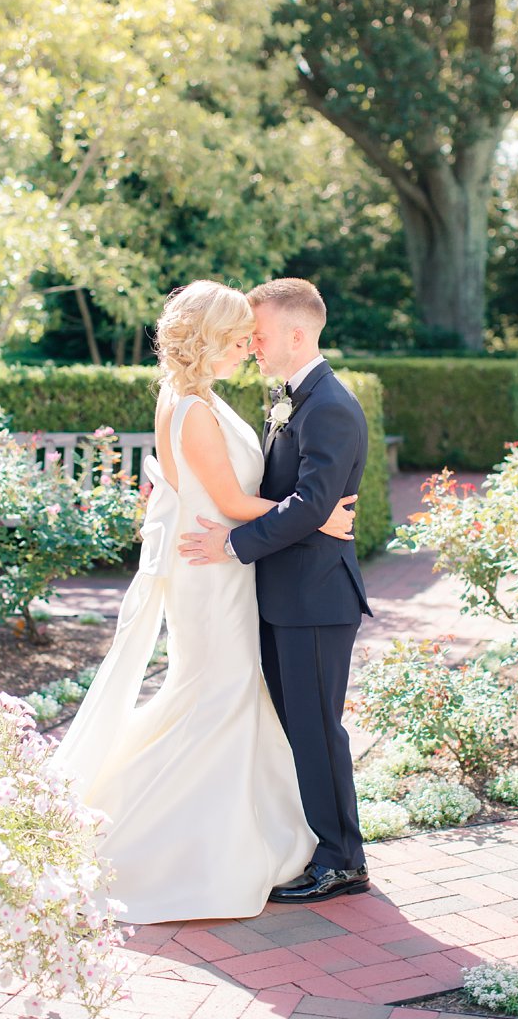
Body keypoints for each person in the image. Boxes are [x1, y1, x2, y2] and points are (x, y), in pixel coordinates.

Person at [54, 279, 355, 923]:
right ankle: (165, 843)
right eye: (240, 338)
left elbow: (201, 485)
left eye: (255, 336)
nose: (250, 347)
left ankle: (240, 834)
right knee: (214, 699)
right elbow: (232, 502)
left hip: (223, 565)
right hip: (213, 568)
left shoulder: (193, 398)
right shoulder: (193, 408)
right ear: (212, 340)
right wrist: (320, 517)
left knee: (220, 701)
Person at [179, 277, 373, 904]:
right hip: (283, 594)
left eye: (258, 336)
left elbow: (312, 503)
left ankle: (343, 860)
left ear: (296, 334)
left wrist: (232, 545)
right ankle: (326, 847)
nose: (252, 346)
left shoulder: (331, 406)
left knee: (318, 730)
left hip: (316, 598)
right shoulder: (290, 399)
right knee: (300, 728)